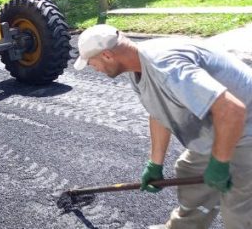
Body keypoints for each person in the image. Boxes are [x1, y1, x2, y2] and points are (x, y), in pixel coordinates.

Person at [74, 24, 252, 229]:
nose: (92, 68)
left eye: (90, 62)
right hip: (222, 128)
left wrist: (220, 163)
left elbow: (232, 110)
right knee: (189, 171)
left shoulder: (165, 66)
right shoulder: (138, 66)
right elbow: (158, 111)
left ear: (106, 55)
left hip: (245, 128)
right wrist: (155, 164)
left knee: (238, 211)